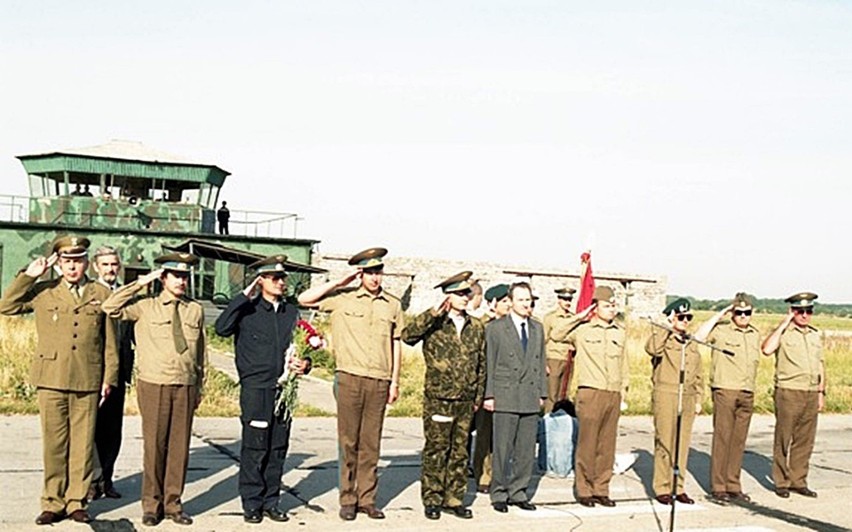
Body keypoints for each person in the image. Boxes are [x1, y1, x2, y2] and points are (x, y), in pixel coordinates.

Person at [0, 236, 118, 525]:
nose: (72, 266)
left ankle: (76, 500)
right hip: (51, 377)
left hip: (88, 378)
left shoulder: (99, 293)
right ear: (58, 263)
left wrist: (109, 378)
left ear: (86, 263)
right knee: (54, 444)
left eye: (77, 260)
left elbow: (110, 342)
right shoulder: (44, 291)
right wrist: (30, 274)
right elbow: (7, 306)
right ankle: (52, 501)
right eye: (66, 261)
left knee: (82, 445)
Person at [297, 247, 404, 521]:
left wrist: (395, 381)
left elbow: (396, 343)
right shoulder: (342, 299)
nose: (375, 278)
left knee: (371, 443)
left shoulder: (392, 304)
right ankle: (348, 498)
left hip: (379, 379)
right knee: (348, 442)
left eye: (378, 272)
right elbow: (304, 299)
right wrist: (339, 282)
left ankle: (367, 499)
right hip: (349, 377)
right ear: (360, 274)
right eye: (369, 272)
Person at [101, 253, 206, 526]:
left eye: (185, 276)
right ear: (163, 278)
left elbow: (201, 352)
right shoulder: (145, 306)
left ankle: (174, 504)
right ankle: (151, 505)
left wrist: (200, 387)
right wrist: (140, 283)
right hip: (154, 384)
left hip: (185, 384)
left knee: (179, 448)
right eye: (176, 276)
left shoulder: (194, 309)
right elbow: (110, 307)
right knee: (155, 447)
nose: (182, 281)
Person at [215, 255, 312, 524]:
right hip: (256, 389)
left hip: (283, 391)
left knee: (278, 448)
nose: (282, 282)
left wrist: (306, 364)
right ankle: (252, 503)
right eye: (275, 278)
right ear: (261, 280)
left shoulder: (291, 313)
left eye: (283, 278)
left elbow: (302, 347)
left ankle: (272, 501)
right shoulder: (247, 310)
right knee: (255, 448)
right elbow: (221, 328)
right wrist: (244, 296)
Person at [402, 271, 486, 520]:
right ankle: (432, 498)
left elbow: (481, 363)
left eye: (466, 293)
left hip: (465, 399)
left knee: (460, 451)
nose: (465, 297)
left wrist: (478, 397)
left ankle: (454, 499)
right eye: (459, 293)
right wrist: (432, 314)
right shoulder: (435, 322)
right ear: (447, 296)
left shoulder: (476, 326)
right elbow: (408, 336)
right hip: (439, 397)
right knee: (437, 450)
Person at [552, 286, 627, 507]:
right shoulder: (583, 330)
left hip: (612, 392)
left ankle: (601, 488)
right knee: (588, 443)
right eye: (606, 305)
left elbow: (625, 365)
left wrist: (624, 392)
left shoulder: (619, 332)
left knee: (607, 445)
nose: (611, 309)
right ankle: (584, 489)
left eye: (613, 305)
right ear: (595, 307)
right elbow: (556, 334)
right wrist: (579, 317)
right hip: (590, 391)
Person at [483, 282, 546, 513]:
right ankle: (498, 492)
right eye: (521, 299)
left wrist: (542, 393)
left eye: (528, 299)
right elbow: (489, 362)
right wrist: (489, 394)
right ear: (510, 301)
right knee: (502, 448)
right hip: (505, 394)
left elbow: (540, 362)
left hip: (529, 395)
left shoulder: (537, 329)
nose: (526, 304)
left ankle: (519, 492)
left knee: (526, 450)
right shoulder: (496, 329)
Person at [693, 292, 761, 503]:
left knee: (738, 441)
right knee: (723, 438)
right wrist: (719, 314)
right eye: (738, 312)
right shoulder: (721, 331)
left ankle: (733, 484)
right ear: (732, 312)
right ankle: (719, 486)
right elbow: (698, 337)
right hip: (725, 389)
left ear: (752, 313)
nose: (742, 316)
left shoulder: (754, 334)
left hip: (747, 390)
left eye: (746, 312)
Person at [761, 292, 824, 499]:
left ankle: (798, 480)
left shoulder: (815, 334)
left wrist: (821, 392)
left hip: (811, 391)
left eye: (808, 311)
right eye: (800, 311)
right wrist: (784, 322)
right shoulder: (784, 333)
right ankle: (781, 481)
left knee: (805, 440)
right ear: (792, 311)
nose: (805, 315)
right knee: (783, 438)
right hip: (789, 391)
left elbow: (820, 365)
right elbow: (767, 349)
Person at [645, 298, 704, 506]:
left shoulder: (691, 341)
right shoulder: (662, 337)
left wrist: (698, 398)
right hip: (666, 394)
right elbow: (652, 349)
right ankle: (662, 487)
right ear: (672, 318)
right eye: (681, 317)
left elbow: (698, 373)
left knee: (682, 443)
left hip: (686, 396)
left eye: (688, 317)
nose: (685, 321)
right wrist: (667, 328)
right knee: (665, 441)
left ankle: (677, 487)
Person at [89, 246, 136, 501]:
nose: (110, 269)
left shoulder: (125, 295)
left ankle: (107, 479)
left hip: (119, 373)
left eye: (114, 264)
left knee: (112, 431)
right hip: (94, 372)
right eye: (105, 265)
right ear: (96, 267)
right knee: (90, 430)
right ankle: (91, 481)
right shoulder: (91, 293)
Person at [472, 283, 511, 494]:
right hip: (487, 385)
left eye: (509, 301)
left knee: (503, 436)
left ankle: (499, 474)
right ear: (492, 304)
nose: (508, 305)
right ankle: (483, 475)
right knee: (485, 434)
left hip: (508, 387)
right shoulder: (482, 326)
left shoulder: (515, 325)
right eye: (504, 301)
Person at [542, 286, 576, 412]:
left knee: (564, 393)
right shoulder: (550, 318)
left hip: (568, 359)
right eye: (564, 299)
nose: (567, 302)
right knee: (552, 394)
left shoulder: (573, 318)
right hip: (553, 358)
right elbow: (543, 340)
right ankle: (548, 419)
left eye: (569, 300)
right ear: (559, 300)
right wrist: (544, 362)